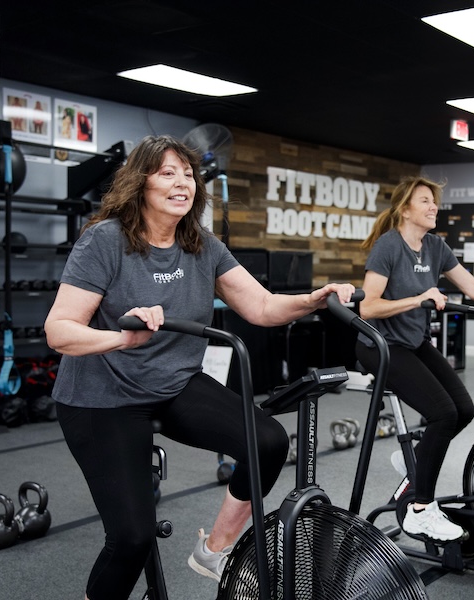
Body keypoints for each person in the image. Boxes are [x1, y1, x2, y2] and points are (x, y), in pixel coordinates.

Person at [44, 134, 355, 600]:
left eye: (188, 174)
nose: (181, 182)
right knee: (132, 537)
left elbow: (263, 307)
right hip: (101, 397)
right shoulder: (105, 241)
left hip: (173, 384)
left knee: (267, 441)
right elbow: (59, 331)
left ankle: (215, 547)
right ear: (139, 183)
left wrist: (312, 300)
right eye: (166, 173)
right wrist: (122, 337)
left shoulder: (201, 245)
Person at [356, 175, 474, 542]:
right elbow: (367, 307)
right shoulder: (388, 247)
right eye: (425, 200)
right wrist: (419, 298)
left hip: (413, 340)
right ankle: (420, 510)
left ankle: (417, 462)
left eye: (434, 201)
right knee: (443, 413)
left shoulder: (435, 246)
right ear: (404, 208)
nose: (433, 207)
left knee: (463, 409)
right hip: (380, 344)